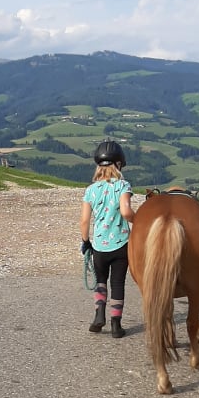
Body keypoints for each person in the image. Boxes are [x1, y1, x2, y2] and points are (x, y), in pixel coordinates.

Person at [80, 140, 134, 338]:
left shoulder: (90, 190)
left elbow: (84, 221)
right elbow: (126, 212)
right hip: (121, 244)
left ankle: (99, 315)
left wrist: (86, 242)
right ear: (118, 164)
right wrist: (139, 221)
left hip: (99, 246)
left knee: (100, 281)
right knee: (117, 283)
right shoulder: (123, 186)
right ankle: (116, 326)